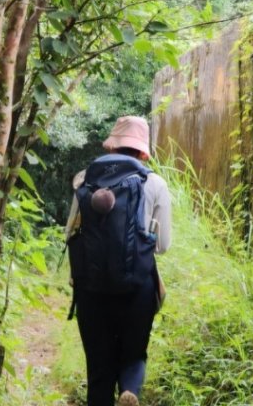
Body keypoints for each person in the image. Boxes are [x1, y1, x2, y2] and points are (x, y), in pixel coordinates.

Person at [66, 115, 172, 406]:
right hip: (137, 287)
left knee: (99, 370)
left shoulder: (83, 178)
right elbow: (162, 247)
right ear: (142, 151)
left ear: (111, 148)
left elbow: (70, 233)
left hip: (91, 290)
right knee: (134, 354)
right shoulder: (155, 183)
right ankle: (129, 390)